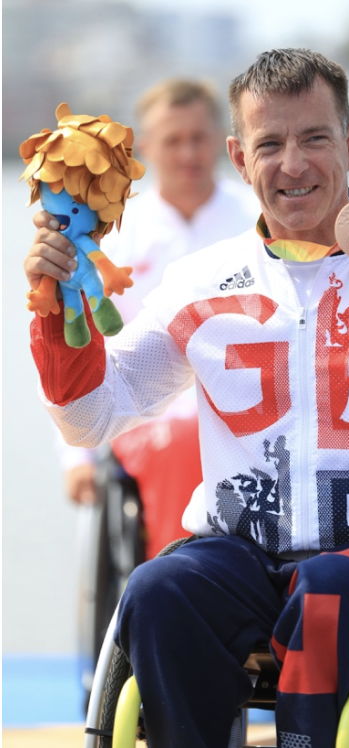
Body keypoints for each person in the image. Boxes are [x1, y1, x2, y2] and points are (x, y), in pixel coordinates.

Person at [24, 48, 349, 748]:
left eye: (314, 139)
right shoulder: (201, 281)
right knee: (155, 590)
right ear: (239, 156)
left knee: (326, 591)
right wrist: (57, 310)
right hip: (242, 556)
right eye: (270, 144)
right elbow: (89, 418)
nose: (292, 165)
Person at [58, 78, 259, 558]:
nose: (188, 153)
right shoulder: (113, 237)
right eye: (173, 140)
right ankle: (184, 593)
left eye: (198, 137)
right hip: (147, 419)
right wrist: (75, 457)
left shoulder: (258, 218)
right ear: (145, 148)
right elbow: (74, 341)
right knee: (187, 440)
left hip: (252, 410)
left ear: (222, 141)